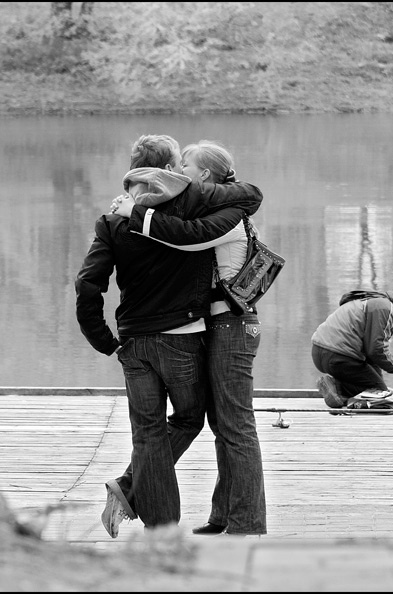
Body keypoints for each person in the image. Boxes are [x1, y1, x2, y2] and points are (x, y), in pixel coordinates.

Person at [75, 134, 263, 538]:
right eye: (177, 168)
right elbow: (237, 201)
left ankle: (158, 523)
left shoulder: (113, 221)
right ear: (168, 169)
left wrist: (103, 340)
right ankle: (147, 506)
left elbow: (88, 285)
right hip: (183, 336)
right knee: (192, 418)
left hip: (133, 340)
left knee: (148, 430)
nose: (181, 174)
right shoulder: (184, 215)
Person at [310, 291, 393, 407]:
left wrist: (383, 387)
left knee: (380, 392)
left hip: (321, 351)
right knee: (378, 396)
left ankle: (336, 392)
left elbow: (371, 355)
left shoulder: (379, 304)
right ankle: (336, 387)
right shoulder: (388, 311)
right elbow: (376, 350)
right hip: (337, 354)